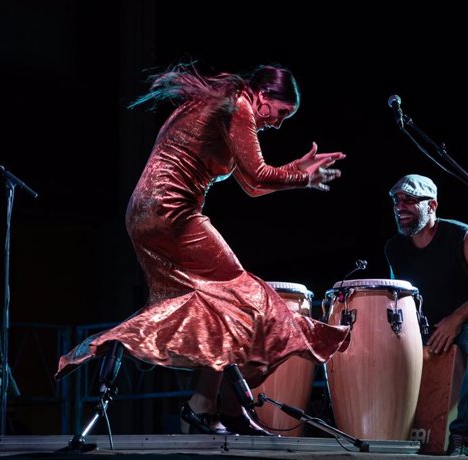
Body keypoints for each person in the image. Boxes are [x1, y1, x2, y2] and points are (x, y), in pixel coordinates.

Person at [54, 63, 350, 436]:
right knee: (245, 296)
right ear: (263, 96)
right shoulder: (238, 106)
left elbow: (252, 185)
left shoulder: (228, 106)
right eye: (281, 113)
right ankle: (123, 347)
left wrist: (293, 169)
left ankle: (205, 406)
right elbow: (259, 175)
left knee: (216, 303)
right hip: (170, 212)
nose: (278, 124)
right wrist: (303, 178)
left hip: (146, 213)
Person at [384, 174, 468, 456]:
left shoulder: (461, 236)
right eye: (396, 201)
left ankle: (463, 436)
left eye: (409, 200)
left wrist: (456, 320)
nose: (400, 206)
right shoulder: (394, 248)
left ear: (432, 206)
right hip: (428, 325)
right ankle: (389, 431)